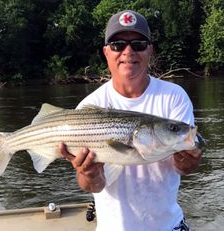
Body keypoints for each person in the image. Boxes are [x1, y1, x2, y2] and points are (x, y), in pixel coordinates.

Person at [59, 10, 202, 231]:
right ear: (106, 52)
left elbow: (184, 167)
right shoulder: (89, 107)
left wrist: (189, 162)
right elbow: (91, 186)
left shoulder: (174, 96)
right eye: (117, 45)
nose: (128, 52)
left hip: (169, 227)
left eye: (138, 44)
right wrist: (89, 173)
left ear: (150, 51)